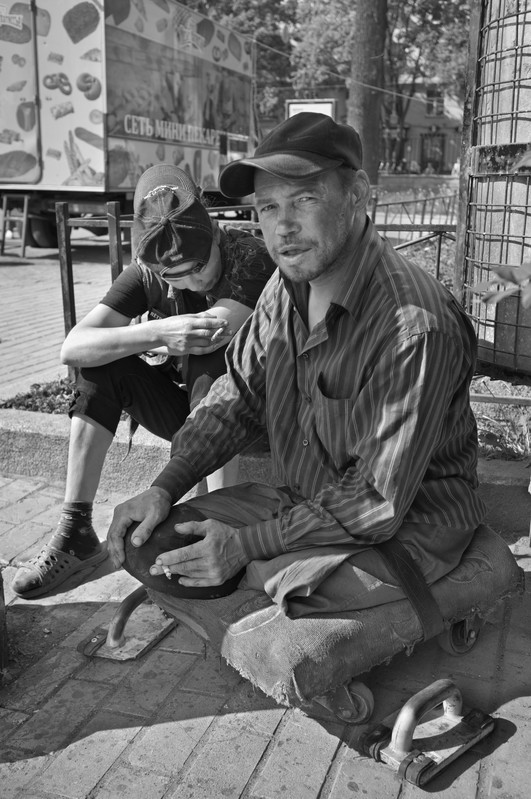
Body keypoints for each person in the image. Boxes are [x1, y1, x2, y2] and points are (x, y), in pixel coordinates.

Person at [105, 112, 486, 618]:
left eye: (304, 199)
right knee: (149, 546)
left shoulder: (413, 326)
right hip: (302, 501)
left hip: (410, 527)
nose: (282, 227)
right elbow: (235, 397)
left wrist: (246, 545)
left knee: (269, 586)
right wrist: (164, 486)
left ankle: (452, 590)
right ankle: (285, 590)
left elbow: (376, 500)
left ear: (357, 194)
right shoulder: (285, 289)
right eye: (267, 207)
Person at [11, 164, 276, 599]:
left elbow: (213, 333)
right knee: (99, 365)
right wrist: (154, 333)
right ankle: (76, 531)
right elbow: (73, 346)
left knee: (209, 354)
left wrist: (160, 337)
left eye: (200, 265)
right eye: (175, 276)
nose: (194, 281)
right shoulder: (147, 272)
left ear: (213, 233)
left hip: (250, 418)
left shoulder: (250, 257)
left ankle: (219, 524)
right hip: (188, 418)